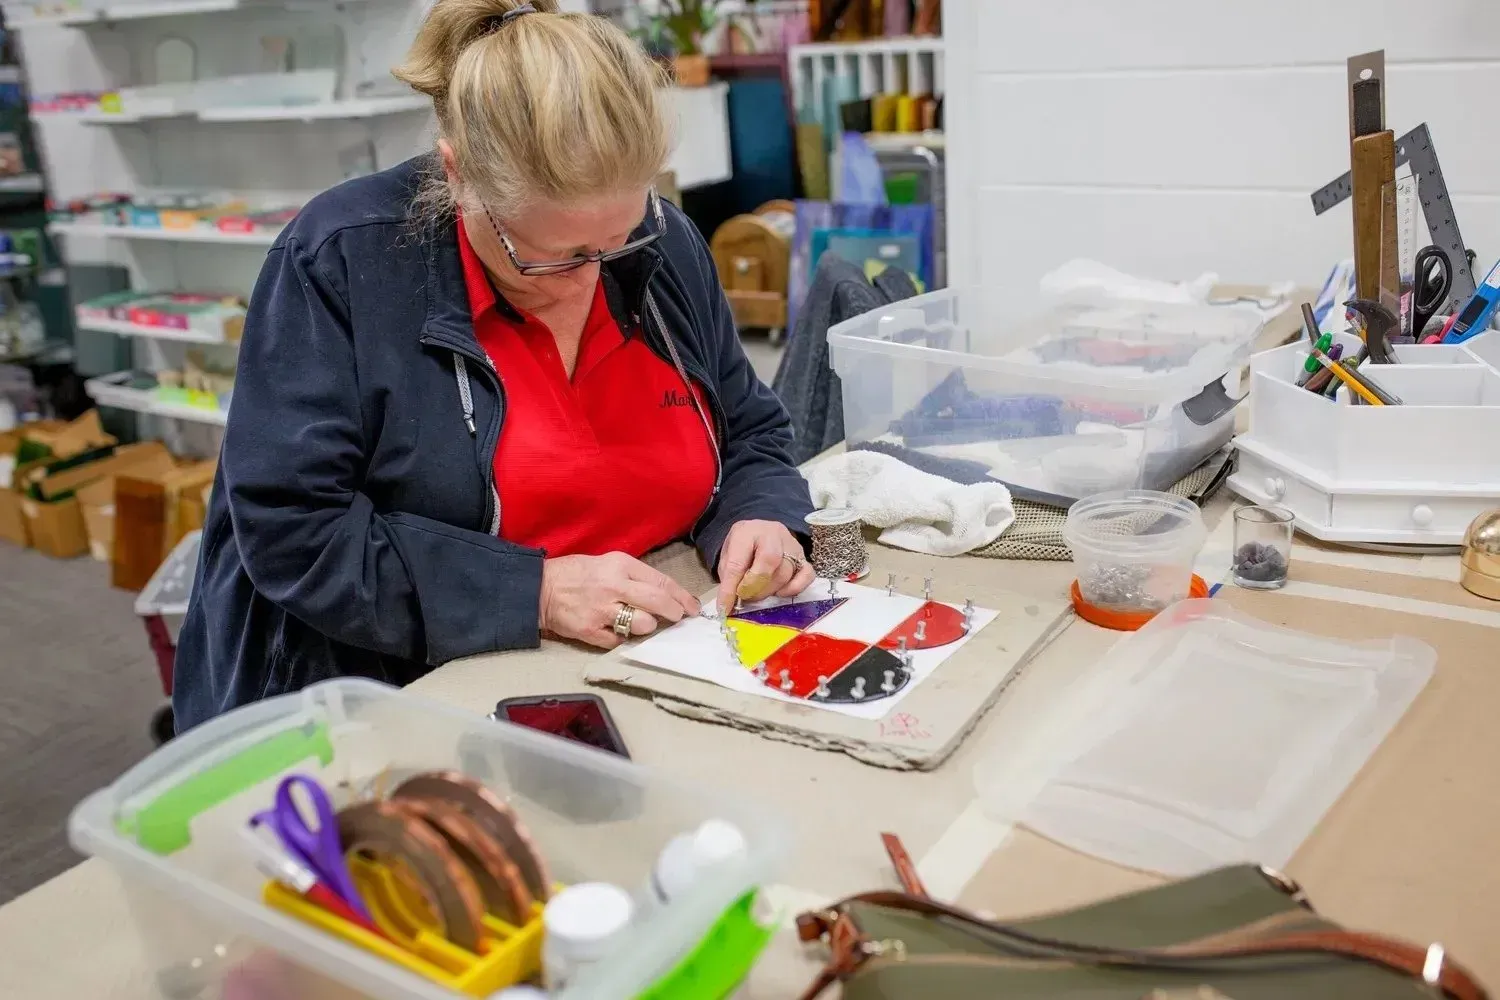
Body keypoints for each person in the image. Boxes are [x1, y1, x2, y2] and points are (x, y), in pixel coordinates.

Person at [172, 0, 815, 733]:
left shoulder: (662, 245)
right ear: (458, 178)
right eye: (552, 255)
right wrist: (532, 592)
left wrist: (758, 512)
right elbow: (295, 533)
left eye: (618, 238)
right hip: (393, 693)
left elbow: (753, 426)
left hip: (646, 664)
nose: (590, 277)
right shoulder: (341, 261)